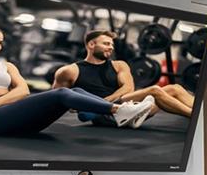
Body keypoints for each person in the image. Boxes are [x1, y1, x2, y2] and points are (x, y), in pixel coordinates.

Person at [0, 22, 152, 136]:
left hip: (23, 118)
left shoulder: (6, 66)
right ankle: (119, 111)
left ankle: (116, 112)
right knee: (64, 93)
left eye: (0, 43)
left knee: (75, 93)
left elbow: (22, 92)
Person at [53, 29, 195, 122]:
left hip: (127, 107)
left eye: (112, 44)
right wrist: (85, 105)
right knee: (155, 90)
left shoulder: (119, 65)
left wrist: (104, 102)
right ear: (91, 44)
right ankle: (195, 118)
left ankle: (201, 114)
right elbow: (56, 99)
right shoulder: (70, 71)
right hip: (102, 115)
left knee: (175, 88)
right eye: (106, 43)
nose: (111, 47)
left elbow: (128, 88)